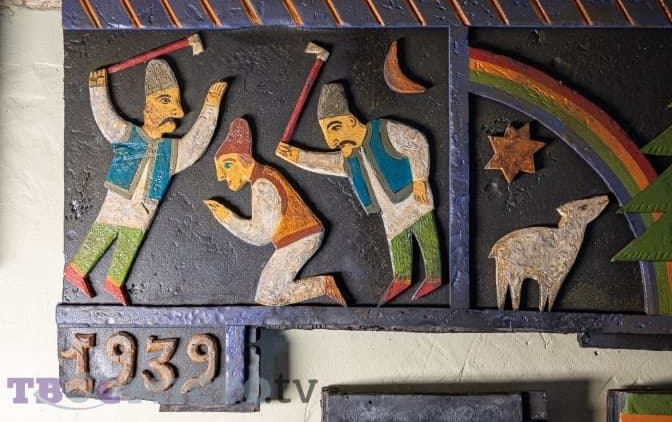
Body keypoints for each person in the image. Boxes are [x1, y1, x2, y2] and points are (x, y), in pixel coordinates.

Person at [63, 60, 227, 305]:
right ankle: (77, 270)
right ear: (148, 105)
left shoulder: (171, 150)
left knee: (132, 236)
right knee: (105, 227)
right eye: (166, 102)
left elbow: (194, 145)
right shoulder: (128, 135)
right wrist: (97, 89)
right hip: (121, 194)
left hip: (147, 200)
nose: (177, 112)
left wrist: (211, 107)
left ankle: (114, 280)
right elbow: (107, 120)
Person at [276, 83, 442, 305]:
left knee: (424, 230)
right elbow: (326, 163)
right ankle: (403, 278)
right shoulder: (349, 156)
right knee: (397, 239)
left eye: (335, 129)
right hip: (387, 207)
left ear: (351, 121)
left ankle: (434, 275)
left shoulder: (382, 130)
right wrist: (296, 156)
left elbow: (417, 143)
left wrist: (420, 178)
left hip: (411, 194)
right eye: (327, 134)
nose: (332, 141)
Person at [204, 117, 346, 306]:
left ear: (243, 160)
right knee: (267, 294)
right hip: (296, 238)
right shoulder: (262, 178)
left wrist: (228, 218)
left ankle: (323, 285)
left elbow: (261, 235)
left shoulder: (263, 184)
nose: (221, 176)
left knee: (267, 295)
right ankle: (323, 285)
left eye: (227, 165)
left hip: (300, 238)